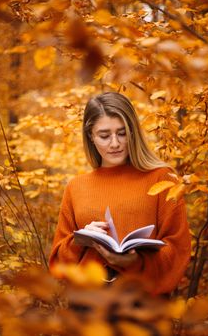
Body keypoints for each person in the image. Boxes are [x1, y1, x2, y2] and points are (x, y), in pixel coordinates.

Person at [49, 92, 191, 296]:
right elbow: (58, 263)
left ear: (133, 132)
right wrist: (79, 241)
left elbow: (178, 251)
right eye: (104, 136)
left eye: (122, 133)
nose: (114, 143)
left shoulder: (163, 179)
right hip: (88, 305)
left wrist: (135, 262)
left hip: (143, 304)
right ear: (91, 136)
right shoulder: (76, 186)